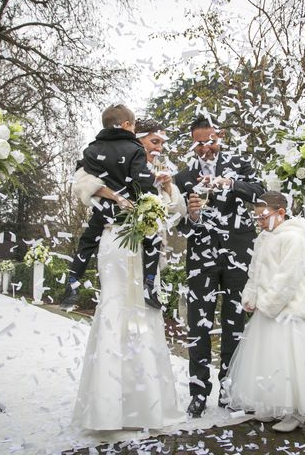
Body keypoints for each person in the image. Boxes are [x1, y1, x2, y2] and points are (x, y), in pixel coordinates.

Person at [72, 116, 186, 430]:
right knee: (116, 311)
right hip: (117, 244)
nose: (160, 148)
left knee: (144, 318)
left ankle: (145, 406)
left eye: (162, 143)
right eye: (155, 142)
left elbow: (174, 218)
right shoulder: (112, 164)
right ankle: (107, 408)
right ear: (139, 141)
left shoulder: (158, 174)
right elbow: (84, 185)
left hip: (148, 255)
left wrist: (167, 188)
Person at [223, 191, 305, 432]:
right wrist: (250, 295)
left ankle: (295, 411)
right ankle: (271, 403)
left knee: (289, 361)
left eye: (263, 217)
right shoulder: (263, 238)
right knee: (267, 358)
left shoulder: (295, 238)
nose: (260, 222)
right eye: (257, 218)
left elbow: (289, 276)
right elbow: (254, 271)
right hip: (265, 310)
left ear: (280, 212)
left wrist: (268, 303)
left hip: (287, 311)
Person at [175, 116, 265, 417]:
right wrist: (193, 216)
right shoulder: (183, 178)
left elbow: (260, 193)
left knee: (234, 324)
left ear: (220, 136)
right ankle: (198, 392)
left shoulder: (240, 163)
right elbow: (180, 226)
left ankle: (229, 390)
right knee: (198, 326)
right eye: (198, 143)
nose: (204, 148)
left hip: (238, 253)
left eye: (209, 141)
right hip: (201, 259)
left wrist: (230, 183)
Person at [60, 106, 163, 311]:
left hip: (102, 211)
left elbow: (82, 172)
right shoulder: (134, 150)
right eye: (133, 127)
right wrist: (152, 192)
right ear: (126, 125)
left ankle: (71, 284)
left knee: (87, 243)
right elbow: (141, 183)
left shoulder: (91, 150)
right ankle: (149, 286)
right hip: (129, 212)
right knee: (154, 241)